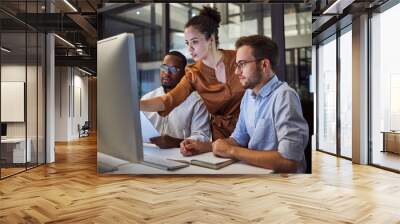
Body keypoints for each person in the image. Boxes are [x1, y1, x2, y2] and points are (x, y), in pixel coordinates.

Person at [140, 6, 245, 156]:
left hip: (250, 130)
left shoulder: (238, 59)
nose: (190, 49)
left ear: (211, 39)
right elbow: (169, 100)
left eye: (194, 42)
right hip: (221, 140)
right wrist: (133, 103)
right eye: (187, 43)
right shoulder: (193, 73)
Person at [212, 35, 309, 173]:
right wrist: (213, 146)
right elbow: (239, 138)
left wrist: (231, 150)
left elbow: (289, 161)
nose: (236, 71)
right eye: (236, 65)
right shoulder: (248, 96)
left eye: (242, 64)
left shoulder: (285, 96)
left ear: (264, 65)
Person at [141, 51, 210, 149]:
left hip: (181, 155)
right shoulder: (147, 98)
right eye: (164, 67)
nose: (167, 73)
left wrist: (176, 142)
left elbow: (202, 137)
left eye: (174, 70)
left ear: (184, 73)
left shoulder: (197, 101)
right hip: (149, 153)